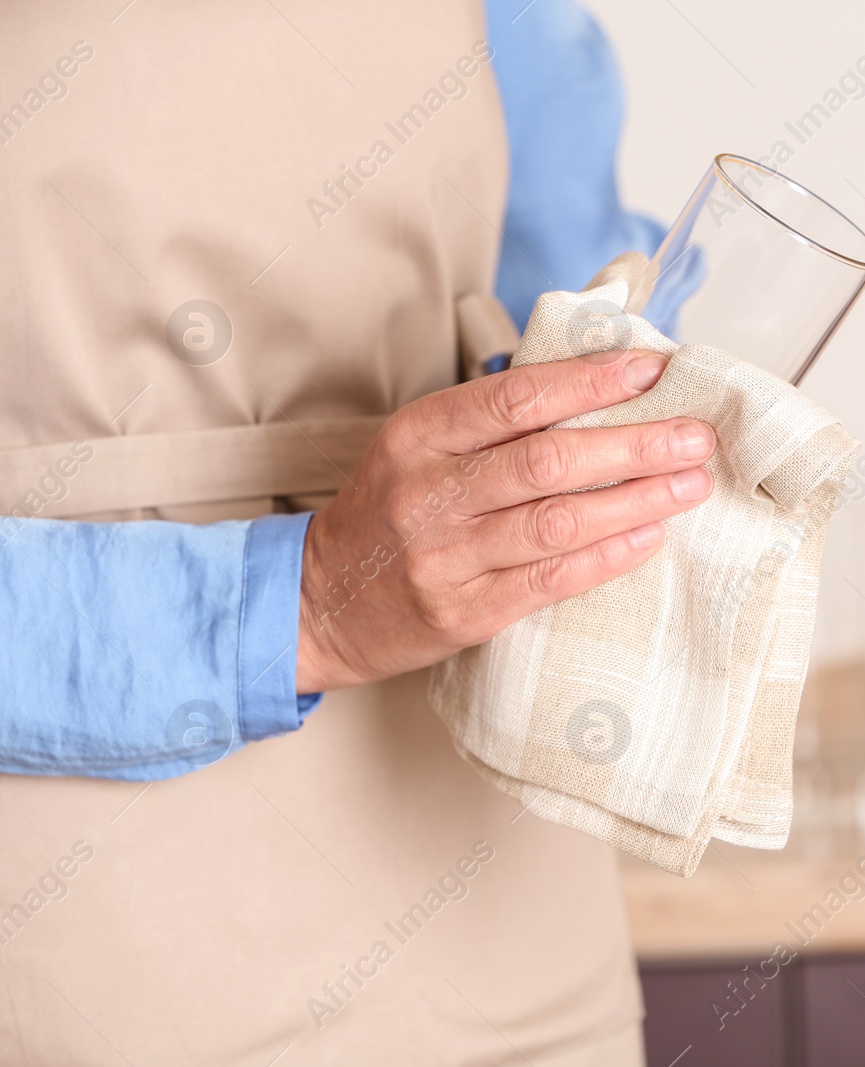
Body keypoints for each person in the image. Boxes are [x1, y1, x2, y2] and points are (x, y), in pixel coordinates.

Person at [0, 1, 696, 1062]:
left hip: (503, 915)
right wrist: (308, 600)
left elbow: (567, 269)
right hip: (88, 944)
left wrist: (630, 391)